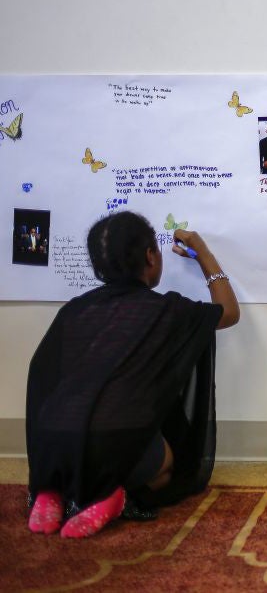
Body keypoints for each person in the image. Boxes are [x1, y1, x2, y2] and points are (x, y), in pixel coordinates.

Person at [25, 211, 240, 538]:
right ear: (151, 257)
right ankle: (115, 497)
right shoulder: (166, 310)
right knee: (167, 467)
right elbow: (229, 312)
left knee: (83, 433)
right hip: (117, 448)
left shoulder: (74, 310)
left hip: (52, 449)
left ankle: (51, 492)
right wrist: (203, 253)